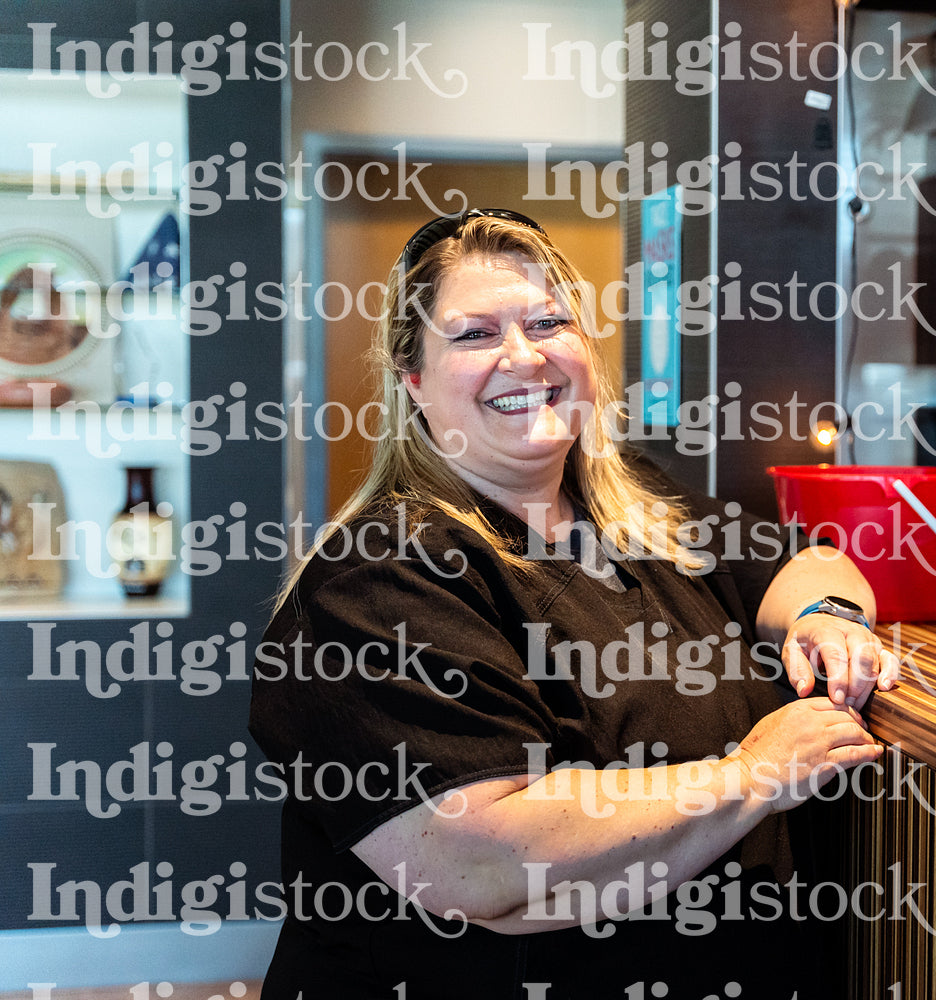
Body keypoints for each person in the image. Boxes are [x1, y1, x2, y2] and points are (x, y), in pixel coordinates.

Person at [249, 208, 903, 998]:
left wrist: (826, 617)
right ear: (412, 379)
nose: (523, 356)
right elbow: (478, 858)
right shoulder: (378, 580)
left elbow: (805, 564)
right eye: (475, 334)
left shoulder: (636, 507)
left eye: (548, 321)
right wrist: (754, 776)